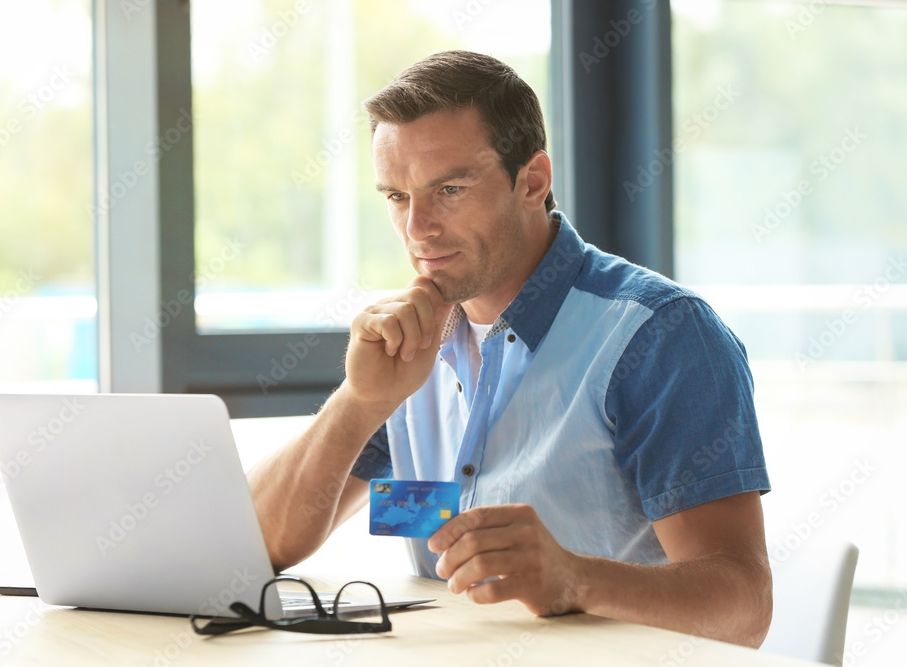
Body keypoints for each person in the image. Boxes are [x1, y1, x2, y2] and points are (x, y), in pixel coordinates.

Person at [249, 50, 772, 647]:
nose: (417, 228)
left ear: (533, 181)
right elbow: (257, 545)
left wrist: (575, 580)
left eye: (449, 188)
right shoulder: (411, 345)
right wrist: (359, 401)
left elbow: (743, 606)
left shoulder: (661, 336)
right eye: (396, 196)